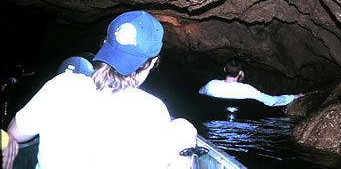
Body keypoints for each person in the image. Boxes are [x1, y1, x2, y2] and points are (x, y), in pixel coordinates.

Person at [5, 10, 197, 169]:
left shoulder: (61, 85)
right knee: (184, 129)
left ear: (105, 44)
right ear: (151, 63)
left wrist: (10, 139)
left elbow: (15, 132)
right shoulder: (153, 110)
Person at [199, 59, 303, 107]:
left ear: (225, 69)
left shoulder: (212, 84)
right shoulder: (247, 89)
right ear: (240, 73)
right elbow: (272, 101)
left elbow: (200, 92)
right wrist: (293, 97)